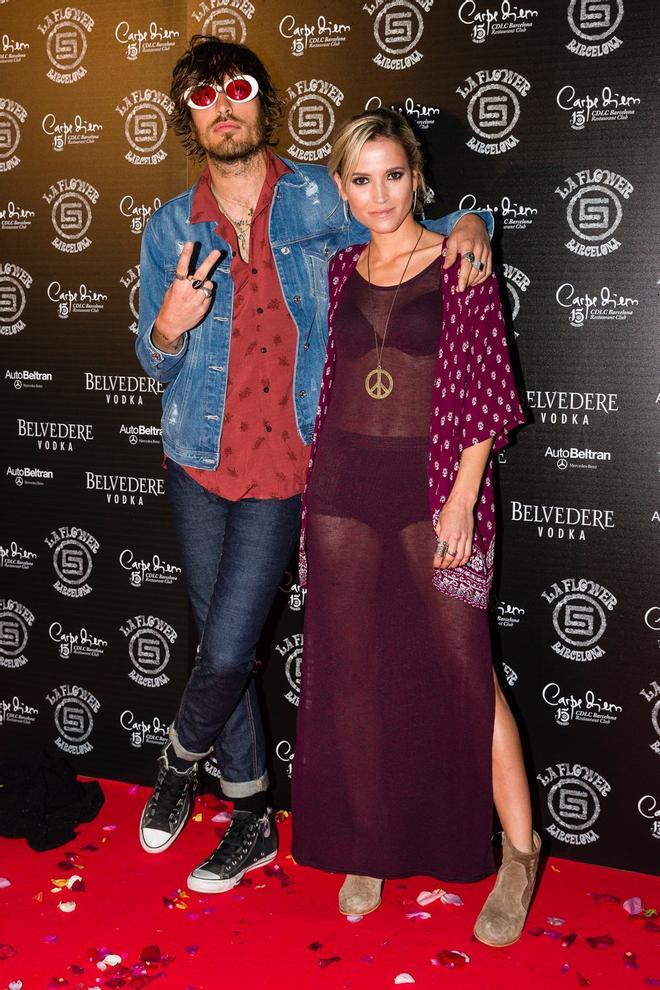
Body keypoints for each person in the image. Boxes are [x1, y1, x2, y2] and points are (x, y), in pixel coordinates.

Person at [135, 35, 493, 896]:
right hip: (196, 459)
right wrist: (171, 325)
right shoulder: (168, 227)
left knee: (226, 652)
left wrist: (473, 221)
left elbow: (405, 220)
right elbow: (153, 359)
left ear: (262, 103)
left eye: (238, 88)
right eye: (201, 97)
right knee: (221, 643)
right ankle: (253, 818)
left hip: (288, 467)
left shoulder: (315, 198)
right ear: (190, 120)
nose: (222, 107)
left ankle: (179, 756)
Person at [291, 108, 540, 948]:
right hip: (341, 488)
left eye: (394, 174)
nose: (380, 193)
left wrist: (464, 499)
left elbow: (485, 391)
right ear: (342, 188)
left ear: (418, 176)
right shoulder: (336, 270)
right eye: (361, 179)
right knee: (353, 669)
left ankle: (518, 851)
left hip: (436, 490)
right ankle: (371, 841)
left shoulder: (463, 259)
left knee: (466, 669)